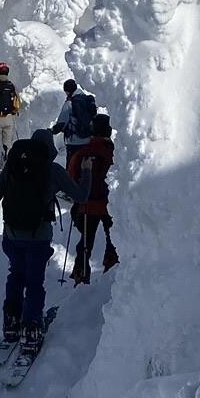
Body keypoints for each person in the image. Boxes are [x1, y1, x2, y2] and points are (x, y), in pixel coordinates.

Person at [0, 130, 90, 353]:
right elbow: (81, 196)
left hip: (11, 236)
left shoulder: (12, 167)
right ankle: (31, 330)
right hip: (38, 238)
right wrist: (87, 172)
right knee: (34, 283)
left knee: (16, 275)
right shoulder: (52, 171)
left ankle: (11, 324)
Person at [68, 113, 119, 285]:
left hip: (87, 205)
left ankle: (80, 275)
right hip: (110, 206)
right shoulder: (116, 153)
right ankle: (112, 276)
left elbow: (72, 177)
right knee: (114, 241)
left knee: (85, 243)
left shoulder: (83, 153)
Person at [52, 79, 99, 169]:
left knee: (71, 169)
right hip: (88, 141)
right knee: (84, 168)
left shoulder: (70, 103)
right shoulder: (87, 100)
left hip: (74, 144)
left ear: (68, 91)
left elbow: (61, 124)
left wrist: (51, 131)